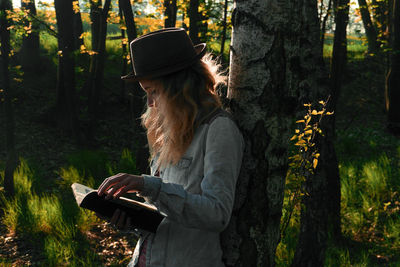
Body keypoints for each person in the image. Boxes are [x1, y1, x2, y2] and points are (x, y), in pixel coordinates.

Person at [97, 28, 244, 267]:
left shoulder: (218, 130)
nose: (150, 103)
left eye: (153, 91)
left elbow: (217, 214)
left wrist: (150, 187)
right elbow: (166, 216)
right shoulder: (170, 130)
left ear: (179, 86)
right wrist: (132, 221)